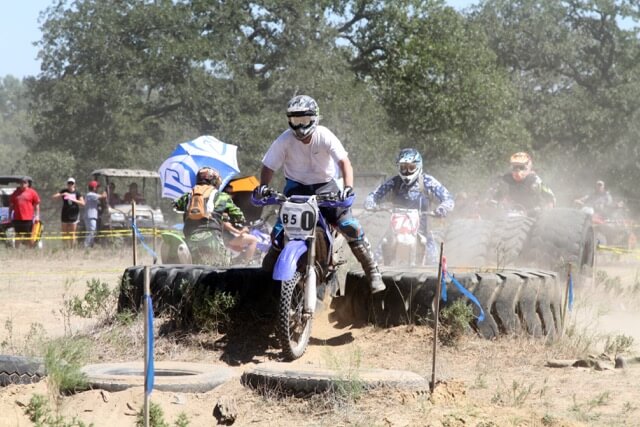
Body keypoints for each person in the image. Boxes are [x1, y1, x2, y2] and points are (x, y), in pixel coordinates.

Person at [255, 94, 385, 293]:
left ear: (314, 118)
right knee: (279, 232)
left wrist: (348, 188)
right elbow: (268, 165)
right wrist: (263, 186)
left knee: (348, 225)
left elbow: (344, 162)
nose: (299, 126)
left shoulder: (324, 134)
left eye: (304, 120)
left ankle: (372, 270)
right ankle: (263, 283)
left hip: (326, 187)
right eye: (295, 120)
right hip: (295, 189)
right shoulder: (284, 140)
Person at [364, 148, 455, 264]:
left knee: (434, 264)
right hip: (394, 231)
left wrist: (441, 209)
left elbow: (448, 198)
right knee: (374, 261)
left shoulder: (427, 182)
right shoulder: (394, 183)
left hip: (422, 232)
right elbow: (373, 195)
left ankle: (436, 280)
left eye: (411, 167)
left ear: (418, 166)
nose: (407, 171)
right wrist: (372, 204)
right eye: (403, 167)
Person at [174, 167, 258, 264]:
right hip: (211, 237)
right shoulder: (221, 196)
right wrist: (238, 220)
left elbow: (176, 206)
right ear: (214, 180)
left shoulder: (188, 195)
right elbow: (239, 216)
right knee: (224, 268)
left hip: (189, 237)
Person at [489, 152, 556, 212]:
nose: (517, 171)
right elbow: (494, 197)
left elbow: (550, 197)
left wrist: (548, 206)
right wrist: (493, 204)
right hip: (510, 212)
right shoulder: (506, 180)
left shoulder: (535, 180)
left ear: (528, 167)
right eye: (514, 168)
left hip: (533, 213)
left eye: (521, 167)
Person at [51, 177, 85, 249]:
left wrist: (73, 199)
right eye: (69, 183)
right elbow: (53, 197)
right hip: (65, 214)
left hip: (74, 214)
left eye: (72, 183)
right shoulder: (64, 191)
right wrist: (62, 194)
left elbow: (83, 203)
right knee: (64, 232)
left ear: (74, 184)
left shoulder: (77, 193)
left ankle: (72, 248)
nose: (70, 185)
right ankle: (65, 247)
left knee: (72, 233)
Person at [8, 177, 41, 248]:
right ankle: (16, 250)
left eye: (24, 183)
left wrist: (37, 216)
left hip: (28, 218)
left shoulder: (32, 192)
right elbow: (11, 205)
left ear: (27, 184)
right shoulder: (15, 193)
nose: (23, 184)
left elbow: (37, 204)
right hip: (17, 218)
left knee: (29, 236)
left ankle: (30, 250)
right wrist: (9, 216)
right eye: (21, 183)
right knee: (18, 235)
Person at [83, 180, 106, 248]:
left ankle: (90, 245)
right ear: (94, 188)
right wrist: (105, 191)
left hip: (92, 216)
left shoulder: (93, 195)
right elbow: (103, 196)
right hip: (90, 216)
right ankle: (86, 245)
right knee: (92, 230)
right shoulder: (90, 194)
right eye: (97, 187)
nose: (97, 189)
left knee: (92, 231)